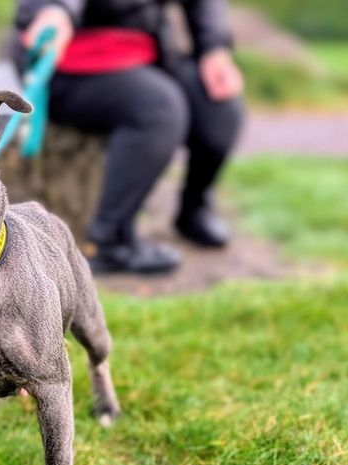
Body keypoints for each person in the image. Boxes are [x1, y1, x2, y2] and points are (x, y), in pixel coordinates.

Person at [15, 0, 244, 275]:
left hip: (146, 52)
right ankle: (109, 242)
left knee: (218, 108)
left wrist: (214, 48)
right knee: (159, 108)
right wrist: (56, 10)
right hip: (65, 61)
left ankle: (193, 210)